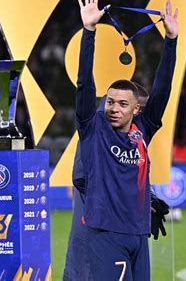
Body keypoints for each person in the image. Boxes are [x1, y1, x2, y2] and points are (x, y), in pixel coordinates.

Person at [75, 0, 178, 280]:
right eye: (110, 101)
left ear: (135, 109)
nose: (113, 108)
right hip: (106, 233)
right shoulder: (93, 128)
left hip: (138, 233)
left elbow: (162, 91)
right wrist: (89, 31)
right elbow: (84, 85)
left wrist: (171, 41)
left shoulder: (143, 130)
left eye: (122, 104)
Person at [63, 84, 152, 281]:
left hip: (111, 215)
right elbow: (80, 175)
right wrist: (108, 198)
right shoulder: (98, 130)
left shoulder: (128, 133)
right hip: (98, 212)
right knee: (84, 264)